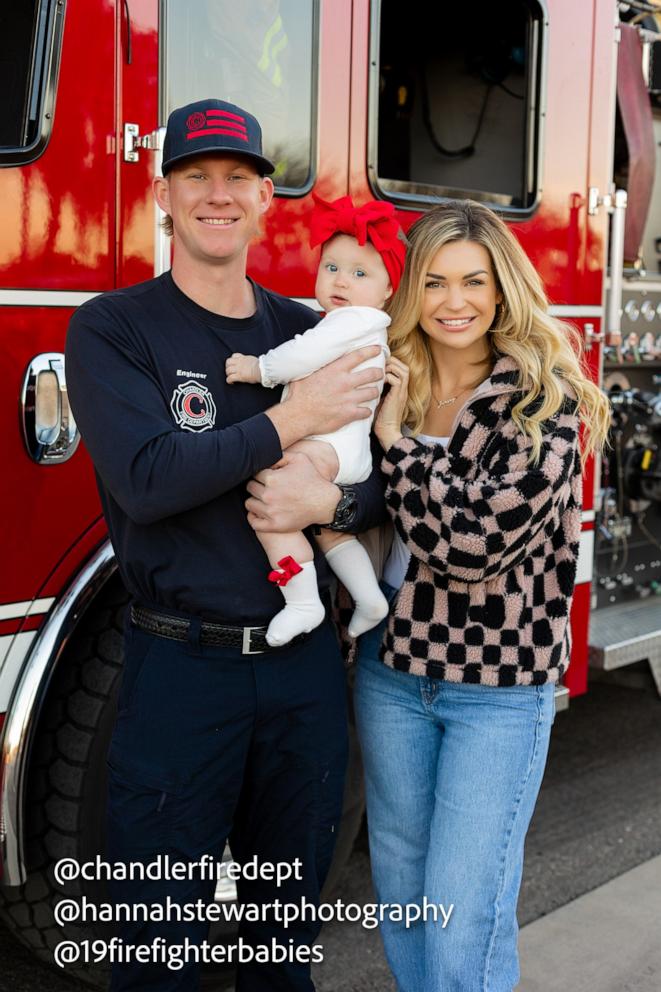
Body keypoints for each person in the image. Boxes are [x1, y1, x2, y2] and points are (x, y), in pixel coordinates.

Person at [65, 98, 386, 992]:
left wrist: (336, 493)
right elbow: (149, 479)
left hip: (304, 677)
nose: (217, 195)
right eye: (195, 177)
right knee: (153, 951)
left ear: (264, 198)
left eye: (236, 178)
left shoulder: (304, 329)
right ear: (160, 195)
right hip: (181, 674)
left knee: (281, 952)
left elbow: (383, 477)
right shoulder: (112, 328)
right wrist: (295, 419)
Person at [353, 199, 611, 992]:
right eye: (432, 282)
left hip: (497, 688)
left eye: (473, 281)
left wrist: (396, 445)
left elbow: (470, 547)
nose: (453, 301)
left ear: (502, 290)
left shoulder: (543, 402)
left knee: (464, 908)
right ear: (409, 292)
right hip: (390, 672)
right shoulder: (383, 378)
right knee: (401, 888)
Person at [226, 193, 406, 646]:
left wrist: (258, 369)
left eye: (360, 273)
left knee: (273, 507)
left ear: (389, 289)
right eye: (332, 268)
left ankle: (303, 601)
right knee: (325, 528)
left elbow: (303, 355)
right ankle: (368, 597)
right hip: (345, 452)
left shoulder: (349, 322)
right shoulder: (366, 324)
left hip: (325, 447)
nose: (341, 281)